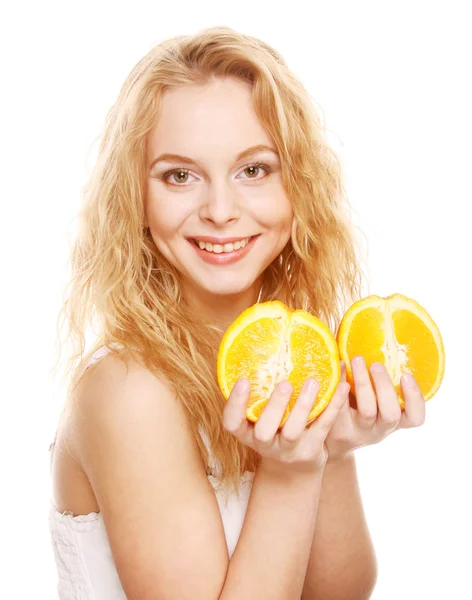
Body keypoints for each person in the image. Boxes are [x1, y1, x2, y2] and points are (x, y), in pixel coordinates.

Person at [48, 25, 426, 600]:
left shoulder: (292, 360)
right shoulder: (128, 391)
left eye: (254, 170)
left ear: (297, 183)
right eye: (180, 175)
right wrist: (293, 470)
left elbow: (340, 594)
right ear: (136, 198)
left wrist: (330, 449)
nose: (221, 211)